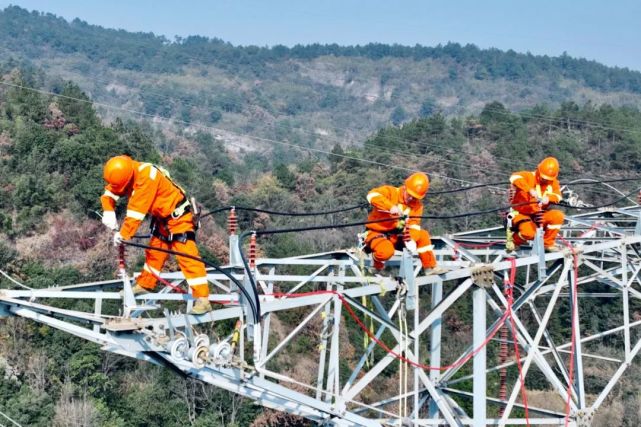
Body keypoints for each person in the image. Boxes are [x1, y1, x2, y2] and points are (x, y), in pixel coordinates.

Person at [100, 155, 211, 314]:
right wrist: (108, 210)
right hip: (163, 219)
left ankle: (203, 299)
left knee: (187, 257)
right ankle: (145, 284)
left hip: (179, 218)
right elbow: (110, 193)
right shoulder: (130, 171)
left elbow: (135, 213)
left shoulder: (147, 178)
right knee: (155, 253)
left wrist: (123, 235)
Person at [364, 172, 443, 274]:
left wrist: (411, 239)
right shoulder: (391, 192)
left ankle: (430, 267)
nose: (411, 199)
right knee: (386, 251)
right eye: (410, 195)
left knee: (423, 235)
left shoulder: (417, 206)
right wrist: (390, 206)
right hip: (377, 233)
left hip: (397, 235)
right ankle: (377, 264)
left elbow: (414, 224)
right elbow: (372, 195)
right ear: (405, 188)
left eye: (415, 198)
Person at [509, 156, 564, 252]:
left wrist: (549, 198)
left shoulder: (553, 183)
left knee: (557, 216)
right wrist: (529, 189)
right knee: (529, 233)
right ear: (538, 171)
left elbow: (558, 196)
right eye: (543, 178)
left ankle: (548, 244)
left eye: (547, 179)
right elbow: (514, 177)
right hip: (521, 214)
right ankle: (514, 242)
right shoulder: (528, 176)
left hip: (538, 214)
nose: (545, 180)